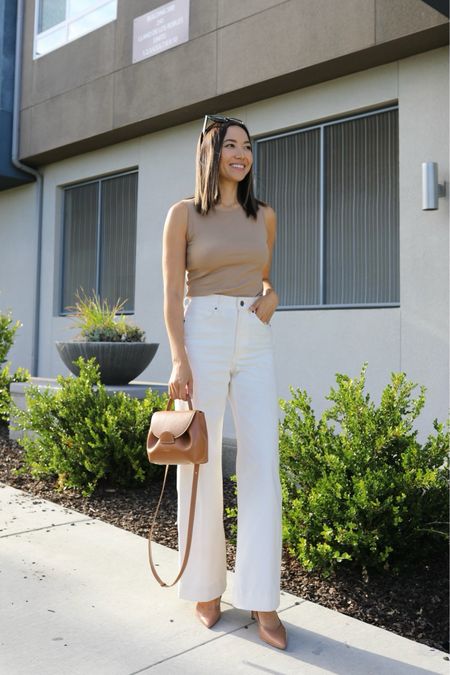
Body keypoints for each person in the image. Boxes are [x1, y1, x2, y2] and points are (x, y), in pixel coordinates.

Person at [161, 114, 287, 650]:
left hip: (253, 336)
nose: (241, 154)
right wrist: (179, 360)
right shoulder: (183, 214)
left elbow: (264, 277)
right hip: (203, 333)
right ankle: (204, 587)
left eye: (248, 146)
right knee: (201, 461)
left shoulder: (265, 216)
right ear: (210, 154)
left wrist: (273, 296)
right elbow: (171, 294)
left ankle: (262, 597)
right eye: (230, 145)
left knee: (263, 458)